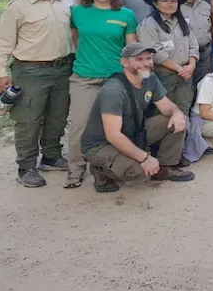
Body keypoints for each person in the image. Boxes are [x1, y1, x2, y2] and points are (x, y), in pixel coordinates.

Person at [0, 0, 73, 187]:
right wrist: (2, 74)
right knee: (28, 120)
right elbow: (3, 44)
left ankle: (51, 156)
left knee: (57, 116)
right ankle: (26, 166)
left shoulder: (64, 3)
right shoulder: (17, 7)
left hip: (62, 68)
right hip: (30, 70)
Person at [81, 43, 194, 192]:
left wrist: (177, 113)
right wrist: (144, 158)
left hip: (132, 132)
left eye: (148, 58)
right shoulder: (113, 90)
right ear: (124, 62)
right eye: (139, 59)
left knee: (180, 120)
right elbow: (113, 135)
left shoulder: (150, 78)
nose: (146, 63)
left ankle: (165, 166)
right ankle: (101, 170)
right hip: (101, 145)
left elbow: (167, 107)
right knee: (140, 171)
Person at [64, 0, 137, 188]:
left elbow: (130, 49)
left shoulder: (126, 15)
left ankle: (106, 169)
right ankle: (75, 170)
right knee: (79, 125)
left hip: (115, 79)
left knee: (116, 126)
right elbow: (75, 38)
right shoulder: (77, 12)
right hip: (84, 77)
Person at [137, 0, 199, 115]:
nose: (169, 4)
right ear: (155, 3)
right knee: (164, 112)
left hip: (185, 74)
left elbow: (193, 44)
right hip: (163, 75)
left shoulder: (182, 22)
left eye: (173, 1)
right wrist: (178, 68)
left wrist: (192, 65)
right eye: (164, 0)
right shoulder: (149, 24)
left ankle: (185, 135)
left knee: (184, 107)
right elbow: (154, 52)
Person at [170, 0, 213, 83]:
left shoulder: (206, 6)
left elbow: (212, 27)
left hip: (205, 54)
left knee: (204, 84)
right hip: (182, 55)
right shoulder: (173, 6)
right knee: (184, 86)